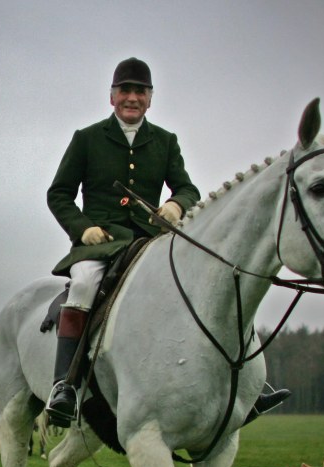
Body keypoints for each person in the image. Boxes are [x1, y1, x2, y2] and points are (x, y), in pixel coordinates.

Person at [44, 57, 289, 427]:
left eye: (139, 91)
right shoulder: (87, 139)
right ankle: (65, 386)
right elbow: (59, 193)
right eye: (125, 90)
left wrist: (176, 204)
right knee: (83, 285)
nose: (132, 97)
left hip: (150, 242)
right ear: (112, 97)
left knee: (206, 285)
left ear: (150, 98)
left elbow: (188, 187)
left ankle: (248, 387)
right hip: (99, 243)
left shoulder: (165, 141)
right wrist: (83, 229)